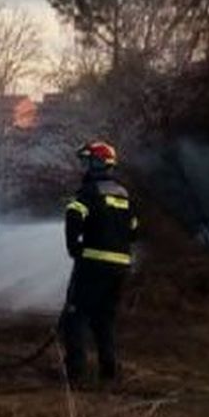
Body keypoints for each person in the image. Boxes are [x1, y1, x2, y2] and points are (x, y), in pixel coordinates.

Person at [60, 140, 137, 385]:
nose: (84, 167)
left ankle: (76, 373)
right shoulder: (124, 194)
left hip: (92, 264)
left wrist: (75, 248)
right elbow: (134, 230)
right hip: (120, 267)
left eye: (87, 161)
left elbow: (73, 216)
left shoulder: (88, 192)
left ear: (97, 164)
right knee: (104, 319)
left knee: (75, 316)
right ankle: (109, 371)